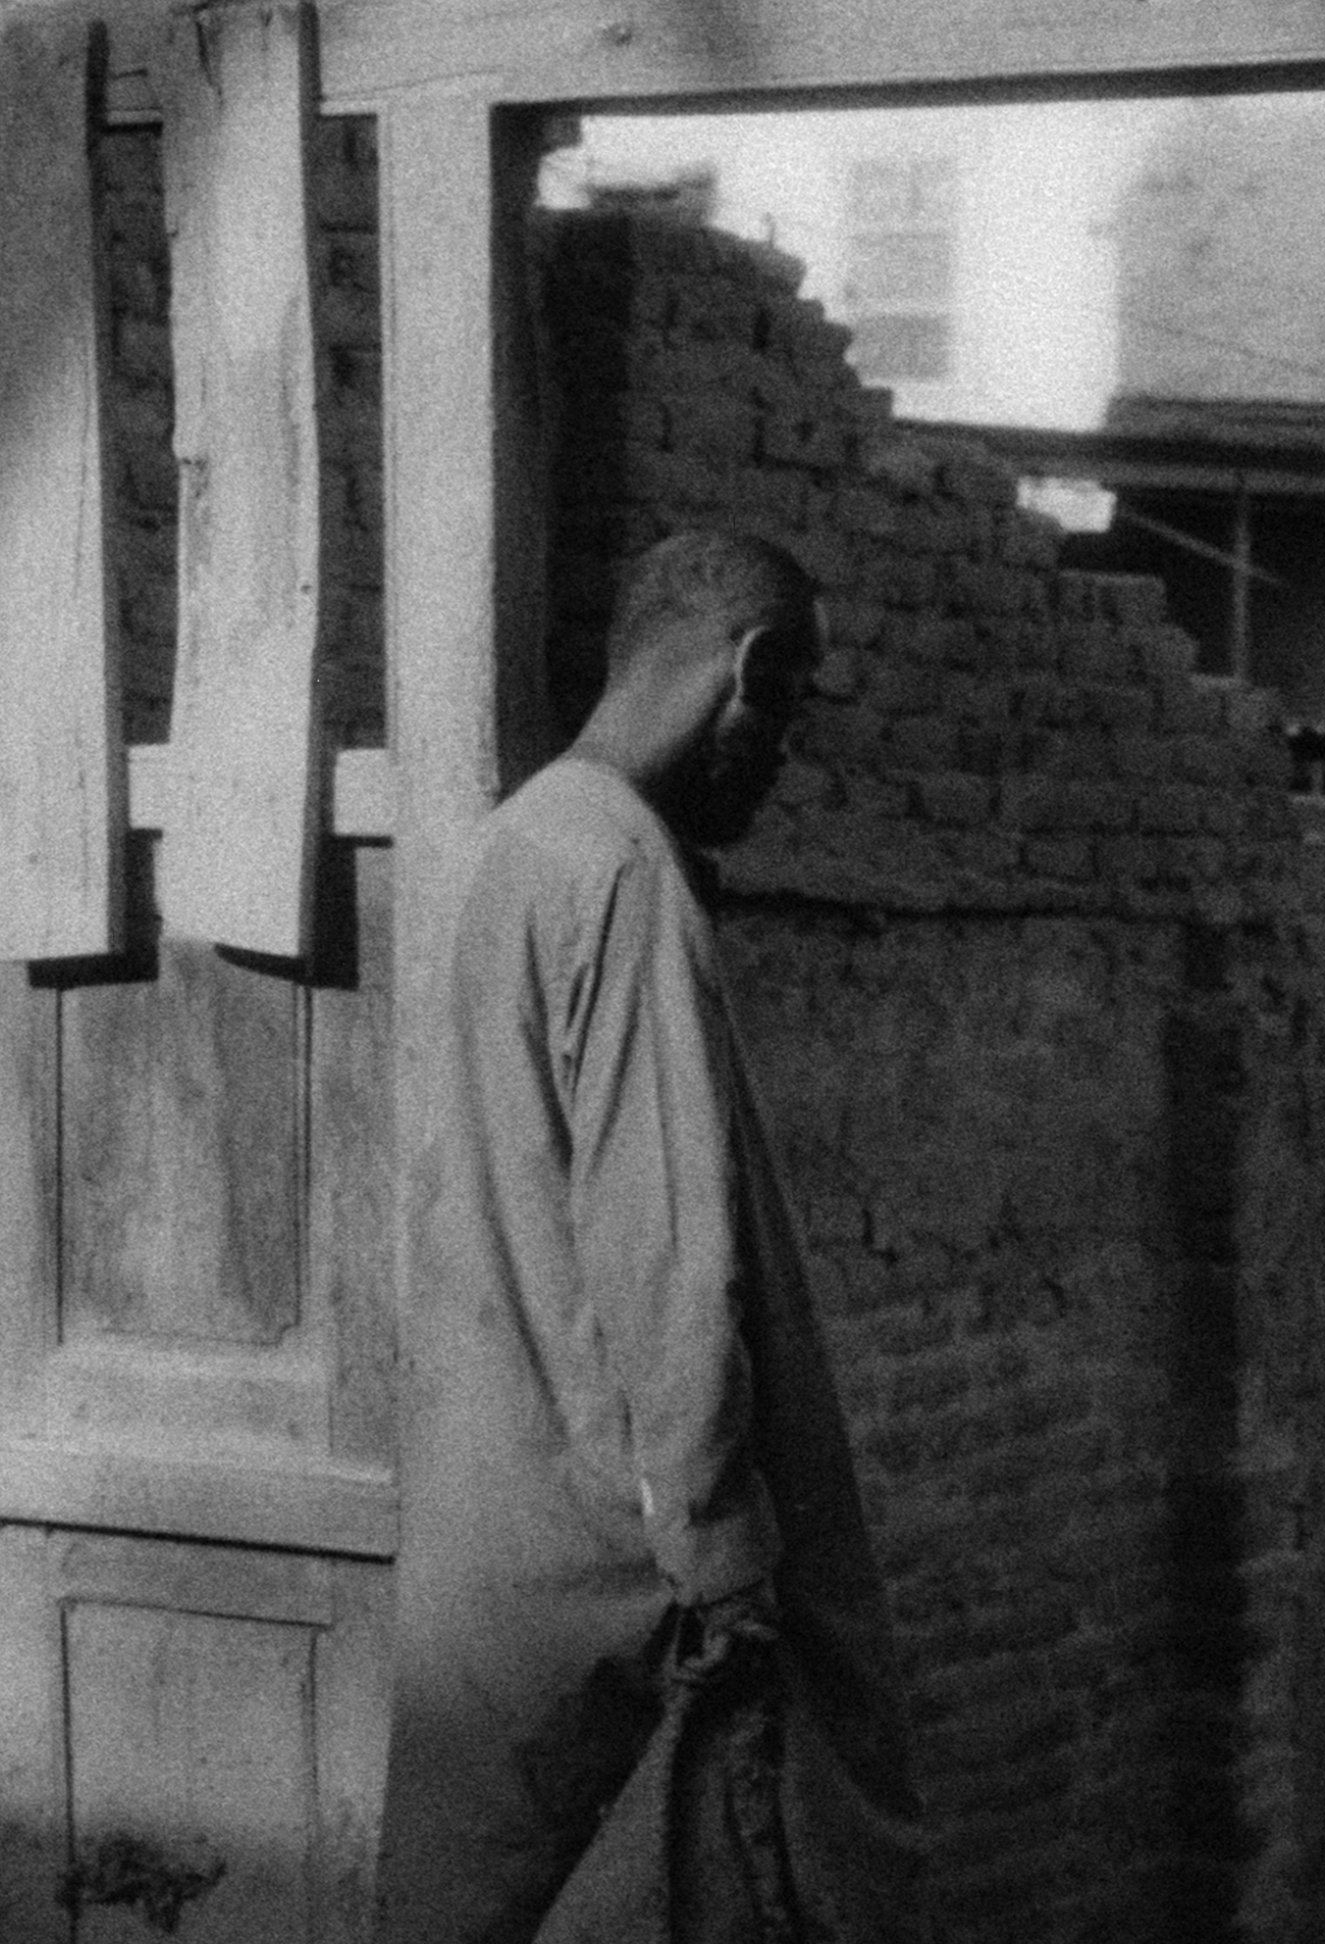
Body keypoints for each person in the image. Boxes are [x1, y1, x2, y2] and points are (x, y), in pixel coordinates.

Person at [378, 528, 926, 1944]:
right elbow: (667, 1254)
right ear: (747, 670)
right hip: (619, 1568)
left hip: (492, 1545)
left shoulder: (517, 842)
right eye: (789, 710)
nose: (785, 755)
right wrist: (727, 1560)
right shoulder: (624, 870)